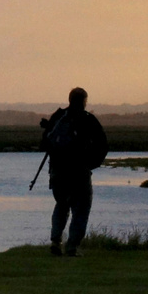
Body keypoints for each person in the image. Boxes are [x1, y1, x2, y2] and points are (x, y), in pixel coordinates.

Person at [40, 87, 108, 256]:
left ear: (69, 100)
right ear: (84, 101)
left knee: (61, 205)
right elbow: (103, 145)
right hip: (80, 172)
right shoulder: (87, 119)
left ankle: (56, 242)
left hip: (57, 172)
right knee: (81, 209)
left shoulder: (58, 117)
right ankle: (72, 247)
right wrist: (91, 165)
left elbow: (45, 143)